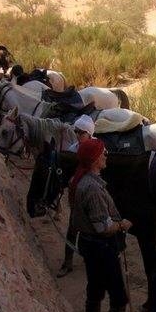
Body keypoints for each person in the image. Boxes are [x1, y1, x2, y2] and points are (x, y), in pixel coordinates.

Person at [70, 138, 151, 312]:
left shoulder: (81, 181)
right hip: (101, 248)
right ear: (95, 159)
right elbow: (103, 227)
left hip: (91, 246)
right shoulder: (93, 188)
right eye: (103, 153)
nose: (106, 156)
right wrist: (122, 225)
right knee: (118, 296)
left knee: (95, 290)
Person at [57, 114, 96, 278]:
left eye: (82, 133)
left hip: (93, 197)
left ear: (89, 134)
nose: (78, 135)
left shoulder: (98, 149)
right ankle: (67, 262)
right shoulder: (73, 151)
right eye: (76, 132)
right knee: (72, 229)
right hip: (77, 197)